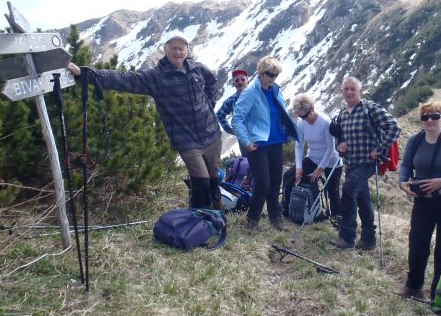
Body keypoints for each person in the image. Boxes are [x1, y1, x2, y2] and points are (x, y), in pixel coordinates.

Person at [67, 35, 223, 209]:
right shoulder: (156, 77)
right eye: (173, 48)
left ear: (187, 50)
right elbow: (125, 79)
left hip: (211, 133)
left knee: (213, 174)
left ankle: (217, 208)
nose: (177, 52)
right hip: (186, 140)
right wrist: (89, 74)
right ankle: (201, 217)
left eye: (181, 48)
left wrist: (210, 104)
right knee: (201, 180)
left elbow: (212, 81)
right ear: (165, 50)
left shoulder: (198, 69)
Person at [398, 101, 441, 300]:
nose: (430, 120)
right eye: (425, 117)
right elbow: (406, 165)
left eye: (435, 116)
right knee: (417, 244)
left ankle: (438, 294)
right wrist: (403, 182)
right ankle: (413, 285)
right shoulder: (415, 141)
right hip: (422, 202)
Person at [329, 77, 401, 249]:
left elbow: (394, 128)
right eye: (345, 89)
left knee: (347, 190)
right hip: (351, 163)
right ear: (342, 92)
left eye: (352, 89)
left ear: (360, 91)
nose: (349, 92)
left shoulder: (370, 108)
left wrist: (380, 148)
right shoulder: (342, 114)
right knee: (362, 199)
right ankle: (368, 239)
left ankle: (347, 237)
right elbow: (339, 139)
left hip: (368, 162)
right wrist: (340, 146)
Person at [232, 56, 299, 232]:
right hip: (258, 144)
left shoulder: (276, 90)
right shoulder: (250, 92)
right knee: (263, 181)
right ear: (261, 72)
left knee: (276, 180)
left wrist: (285, 133)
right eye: (270, 74)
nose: (273, 78)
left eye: (276, 74)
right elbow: (237, 119)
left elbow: (280, 114)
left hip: (276, 141)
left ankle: (275, 217)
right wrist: (246, 142)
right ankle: (252, 219)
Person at [281, 93, 342, 220]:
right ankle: (285, 209)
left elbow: (331, 147)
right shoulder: (301, 122)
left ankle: (337, 216)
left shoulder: (325, 122)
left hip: (331, 159)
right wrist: (298, 167)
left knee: (332, 190)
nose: (305, 119)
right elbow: (299, 145)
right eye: (301, 117)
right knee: (288, 176)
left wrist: (320, 168)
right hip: (313, 157)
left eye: (306, 115)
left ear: (312, 108)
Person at [216, 69, 249, 155]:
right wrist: (230, 130)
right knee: (249, 162)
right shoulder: (231, 100)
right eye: (236, 80)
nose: (240, 82)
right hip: (244, 138)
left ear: (247, 81)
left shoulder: (257, 95)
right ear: (233, 84)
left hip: (261, 134)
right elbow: (219, 115)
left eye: (243, 79)